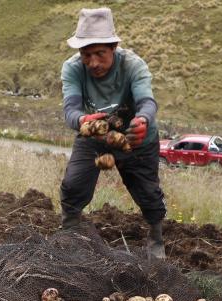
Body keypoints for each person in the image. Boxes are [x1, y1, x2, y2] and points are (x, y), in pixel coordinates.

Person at [60, 7, 167, 260]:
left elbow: (147, 102)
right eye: (86, 55)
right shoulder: (73, 68)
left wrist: (141, 120)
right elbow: (70, 111)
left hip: (136, 138)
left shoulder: (133, 66)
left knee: (148, 193)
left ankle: (156, 238)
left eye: (100, 54)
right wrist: (84, 121)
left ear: (114, 46)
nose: (93, 63)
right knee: (73, 184)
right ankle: (69, 234)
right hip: (96, 135)